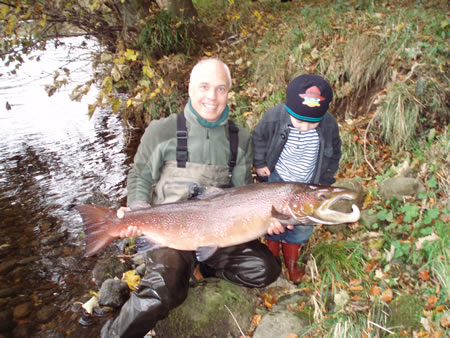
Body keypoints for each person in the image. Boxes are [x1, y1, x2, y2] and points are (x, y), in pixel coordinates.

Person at [101, 58, 283, 338]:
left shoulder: (240, 138)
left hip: (218, 231)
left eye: (221, 89)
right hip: (169, 233)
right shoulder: (161, 130)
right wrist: (137, 208)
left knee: (264, 269)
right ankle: (113, 333)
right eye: (204, 87)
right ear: (189, 88)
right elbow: (140, 176)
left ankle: (200, 265)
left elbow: (244, 192)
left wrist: (264, 221)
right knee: (164, 289)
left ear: (228, 93)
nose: (212, 97)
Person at [252, 74, 342, 284]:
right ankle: (272, 259)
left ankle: (292, 262)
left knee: (300, 225)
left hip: (307, 183)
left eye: (312, 123)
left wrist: (326, 180)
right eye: (299, 121)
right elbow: (258, 138)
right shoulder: (274, 117)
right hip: (278, 178)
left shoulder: (329, 125)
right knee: (274, 220)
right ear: (289, 109)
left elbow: (335, 153)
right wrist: (260, 163)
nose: (304, 127)